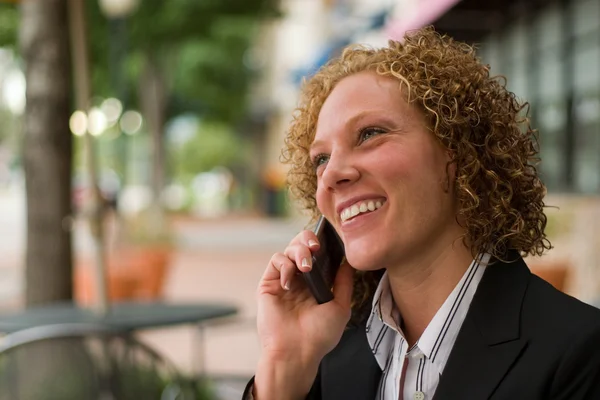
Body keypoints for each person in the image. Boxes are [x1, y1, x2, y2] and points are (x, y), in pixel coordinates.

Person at [244, 27, 600, 400]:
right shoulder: (323, 351)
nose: (331, 174)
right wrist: (284, 365)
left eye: (369, 134)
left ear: (458, 151)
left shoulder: (579, 355)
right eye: (321, 158)